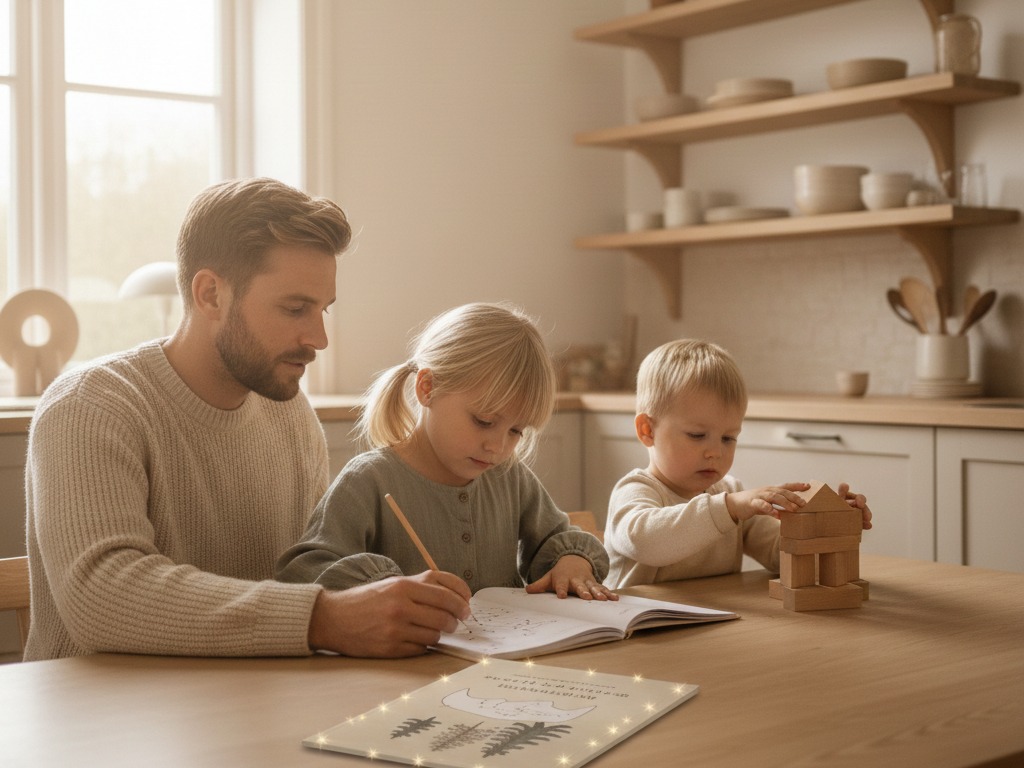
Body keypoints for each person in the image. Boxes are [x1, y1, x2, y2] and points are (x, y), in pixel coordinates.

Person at [24, 177, 471, 662]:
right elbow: (102, 598)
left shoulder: (290, 414)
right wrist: (325, 618)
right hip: (95, 722)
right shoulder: (90, 407)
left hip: (248, 705)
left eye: (323, 310)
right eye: (296, 308)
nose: (319, 338)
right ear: (210, 294)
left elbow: (310, 570)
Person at [276, 302, 615, 602]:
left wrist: (572, 561)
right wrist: (380, 588)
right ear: (428, 388)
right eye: (483, 421)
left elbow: (560, 538)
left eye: (515, 431)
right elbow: (305, 572)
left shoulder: (509, 477)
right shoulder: (369, 480)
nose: (497, 447)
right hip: (404, 670)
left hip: (504, 666)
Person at [604, 339, 872, 589]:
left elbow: (786, 559)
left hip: (715, 629)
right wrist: (729, 508)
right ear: (647, 430)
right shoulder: (636, 490)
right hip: (636, 635)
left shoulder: (730, 494)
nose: (715, 452)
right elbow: (647, 543)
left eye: (728, 438)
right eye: (697, 435)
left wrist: (828, 524)